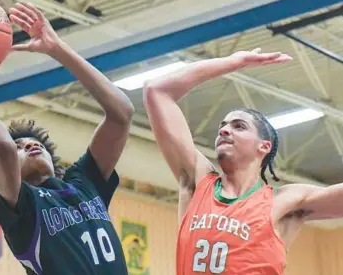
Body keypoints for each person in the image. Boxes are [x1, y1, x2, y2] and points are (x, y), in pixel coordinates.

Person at [0, 2, 134, 275]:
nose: (30, 145)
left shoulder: (84, 183)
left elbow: (122, 113)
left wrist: (58, 49)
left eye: (34, 144)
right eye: (20, 147)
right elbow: (1, 148)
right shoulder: (21, 210)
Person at [143, 49, 343, 274]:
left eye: (238, 126)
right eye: (223, 126)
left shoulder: (286, 201)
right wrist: (232, 63)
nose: (225, 130)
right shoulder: (197, 181)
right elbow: (156, 91)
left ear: (264, 146)